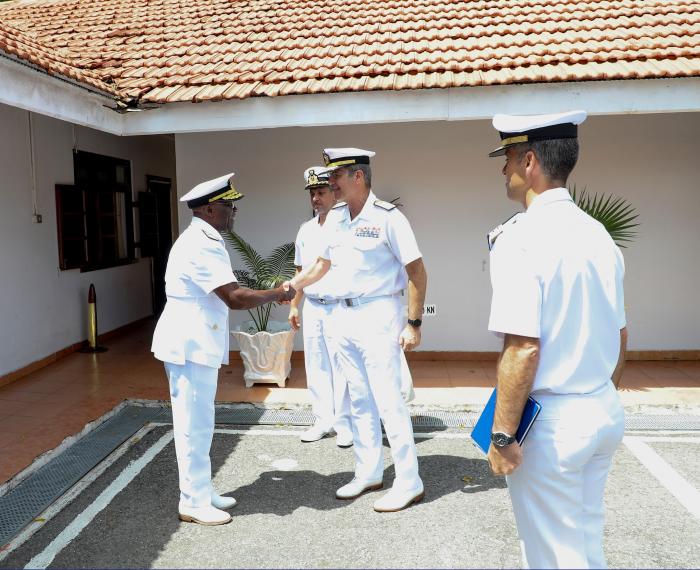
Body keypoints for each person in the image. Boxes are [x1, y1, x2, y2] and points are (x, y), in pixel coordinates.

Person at [485, 110, 627, 568]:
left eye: (506, 157)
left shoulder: (520, 237)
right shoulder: (598, 233)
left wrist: (503, 434)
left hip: (553, 423)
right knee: (585, 542)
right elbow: (621, 334)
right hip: (600, 408)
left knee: (553, 556)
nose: (502, 168)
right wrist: (595, 394)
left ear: (529, 161)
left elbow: (523, 346)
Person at [285, 148, 428, 512]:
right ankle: (368, 471)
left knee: (388, 400)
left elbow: (417, 272)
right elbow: (321, 265)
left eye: (337, 175)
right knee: (359, 398)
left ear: (358, 177)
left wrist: (413, 323)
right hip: (342, 317)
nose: (330, 182)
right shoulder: (336, 218)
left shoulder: (389, 218)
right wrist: (290, 288)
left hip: (378, 314)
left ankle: (409, 480)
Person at [152, 173, 295, 526]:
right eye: (230, 207)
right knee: (192, 425)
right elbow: (234, 297)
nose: (234, 213)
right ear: (211, 209)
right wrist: (277, 293)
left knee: (202, 422)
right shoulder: (201, 243)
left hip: (194, 342)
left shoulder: (203, 238)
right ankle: (193, 501)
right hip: (189, 345)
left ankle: (201, 490)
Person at [288, 166, 353, 447]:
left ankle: (345, 423)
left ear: (333, 194)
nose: (316, 198)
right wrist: (293, 306)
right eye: (313, 193)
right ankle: (322, 420)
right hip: (313, 306)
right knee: (316, 365)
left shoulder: (347, 224)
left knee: (342, 366)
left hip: (339, 306)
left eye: (321, 192)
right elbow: (301, 271)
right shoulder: (305, 230)